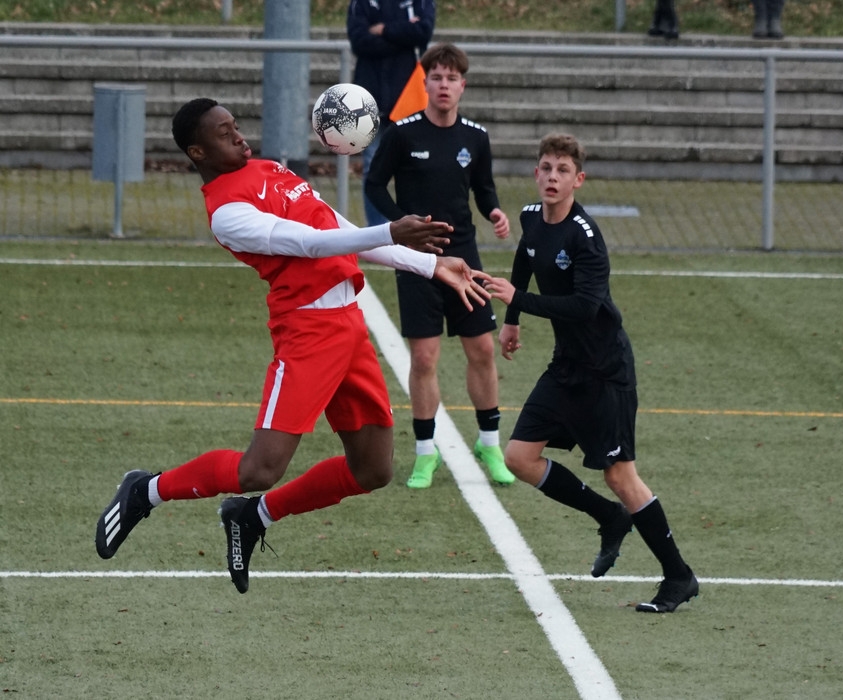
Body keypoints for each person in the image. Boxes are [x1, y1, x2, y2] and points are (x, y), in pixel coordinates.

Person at [94, 97, 492, 595]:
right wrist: (392, 229)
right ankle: (146, 489)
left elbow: (335, 228)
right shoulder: (227, 213)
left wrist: (431, 265)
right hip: (308, 332)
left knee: (374, 469)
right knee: (259, 468)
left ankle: (253, 516)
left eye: (235, 126)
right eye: (223, 133)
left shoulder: (270, 170)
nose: (239, 136)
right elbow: (307, 242)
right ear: (198, 152)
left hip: (348, 325)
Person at [485, 134, 699, 613]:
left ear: (578, 180)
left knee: (620, 475)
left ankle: (679, 576)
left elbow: (585, 306)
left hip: (606, 372)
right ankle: (608, 516)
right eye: (546, 168)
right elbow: (525, 257)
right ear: (536, 174)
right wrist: (512, 320)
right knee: (519, 457)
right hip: (567, 366)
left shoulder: (585, 237)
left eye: (563, 170)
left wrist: (519, 301)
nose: (552, 177)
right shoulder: (531, 217)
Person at [365, 42, 515, 489]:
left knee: (482, 349)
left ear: (462, 86)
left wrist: (494, 211)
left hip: (464, 258)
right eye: (437, 77)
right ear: (425, 83)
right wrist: (401, 226)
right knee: (425, 356)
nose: (444, 85)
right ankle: (425, 453)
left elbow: (483, 188)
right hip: (417, 260)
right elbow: (374, 184)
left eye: (452, 78)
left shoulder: (476, 137)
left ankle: (489, 444)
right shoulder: (402, 133)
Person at [347, 0, 435, 227]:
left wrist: (383, 30)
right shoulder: (362, 3)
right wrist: (404, 36)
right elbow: (359, 41)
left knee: (416, 166)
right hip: (370, 100)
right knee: (372, 167)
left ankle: (415, 229)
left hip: (410, 98)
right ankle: (379, 234)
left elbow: (423, 31)